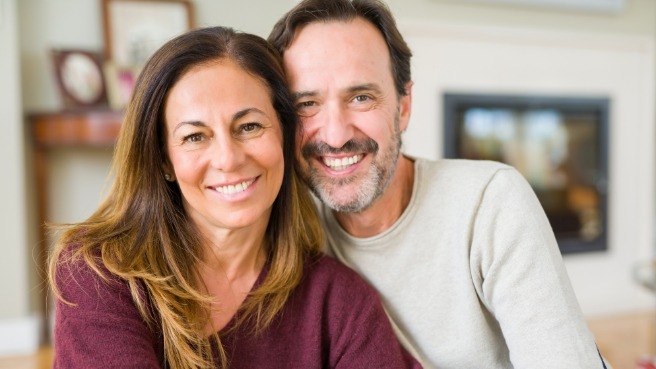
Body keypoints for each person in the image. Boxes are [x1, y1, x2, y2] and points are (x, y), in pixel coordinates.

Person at [48, 26, 422, 369]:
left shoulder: (338, 300)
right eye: (195, 136)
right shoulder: (100, 273)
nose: (228, 159)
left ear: (285, 136)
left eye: (249, 126)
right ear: (164, 158)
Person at [269, 1, 611, 368]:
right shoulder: (293, 229)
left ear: (403, 106)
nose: (335, 135)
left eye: (361, 97)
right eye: (306, 103)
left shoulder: (489, 202)